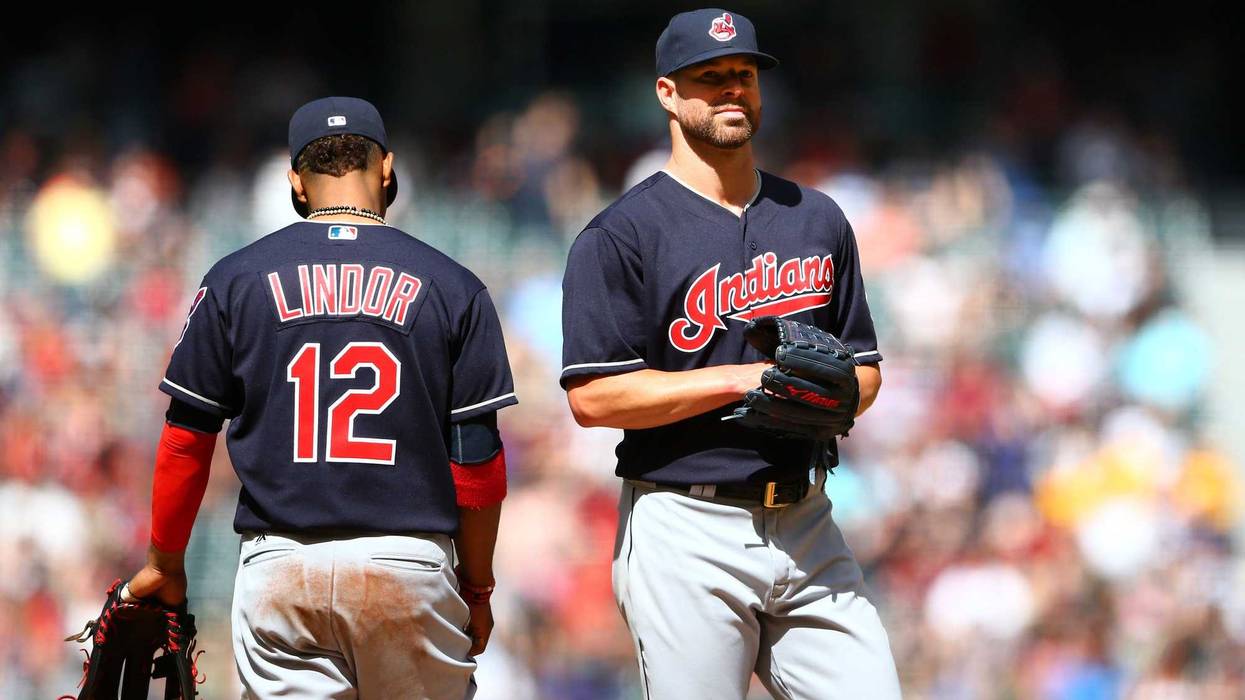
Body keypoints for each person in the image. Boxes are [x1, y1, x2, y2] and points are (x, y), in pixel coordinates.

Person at [123, 96, 517, 699]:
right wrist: (479, 587)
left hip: (284, 567)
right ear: (386, 168)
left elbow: (185, 440)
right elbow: (479, 466)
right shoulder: (453, 286)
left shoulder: (234, 279)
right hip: (408, 563)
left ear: (294, 183)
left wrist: (165, 561)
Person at [560, 9, 901, 699]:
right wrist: (742, 380)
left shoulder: (816, 218)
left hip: (806, 520)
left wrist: (841, 394)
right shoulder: (622, 234)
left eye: (742, 75)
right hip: (685, 523)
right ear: (666, 94)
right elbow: (593, 398)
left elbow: (864, 370)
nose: (730, 91)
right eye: (709, 78)